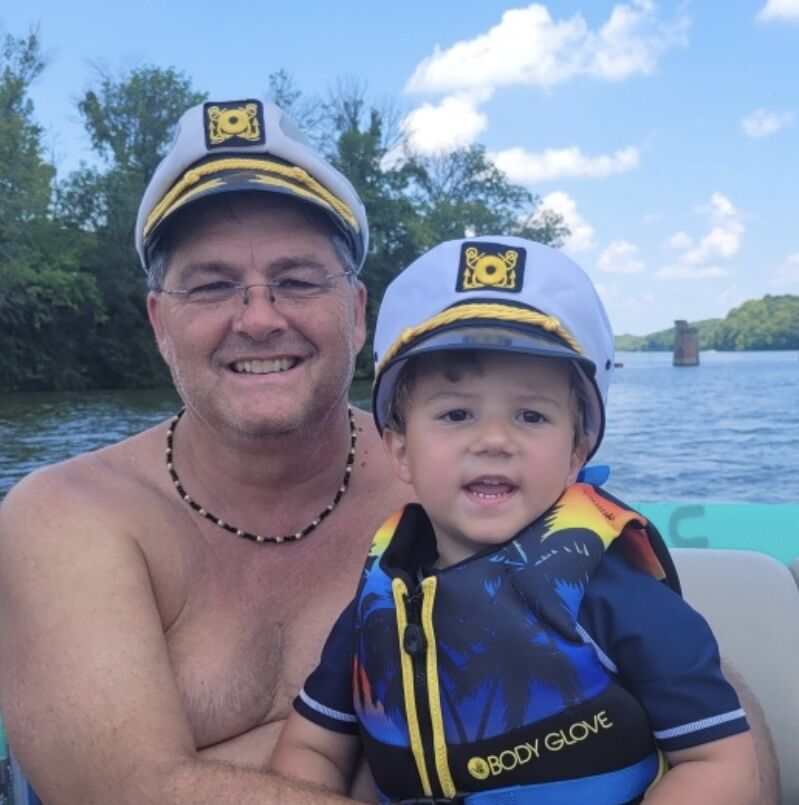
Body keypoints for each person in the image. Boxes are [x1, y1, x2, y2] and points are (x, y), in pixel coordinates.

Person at [0, 96, 777, 805]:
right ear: (159, 323)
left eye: (297, 279)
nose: (259, 316)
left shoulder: (470, 483)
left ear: (357, 312)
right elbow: (121, 793)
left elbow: (710, 717)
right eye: (210, 286)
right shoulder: (68, 519)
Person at [270, 236, 760, 804]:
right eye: (456, 414)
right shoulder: (378, 602)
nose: (495, 441)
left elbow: (717, 758)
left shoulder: (613, 596)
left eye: (531, 415)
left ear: (577, 451)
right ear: (398, 448)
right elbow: (312, 747)